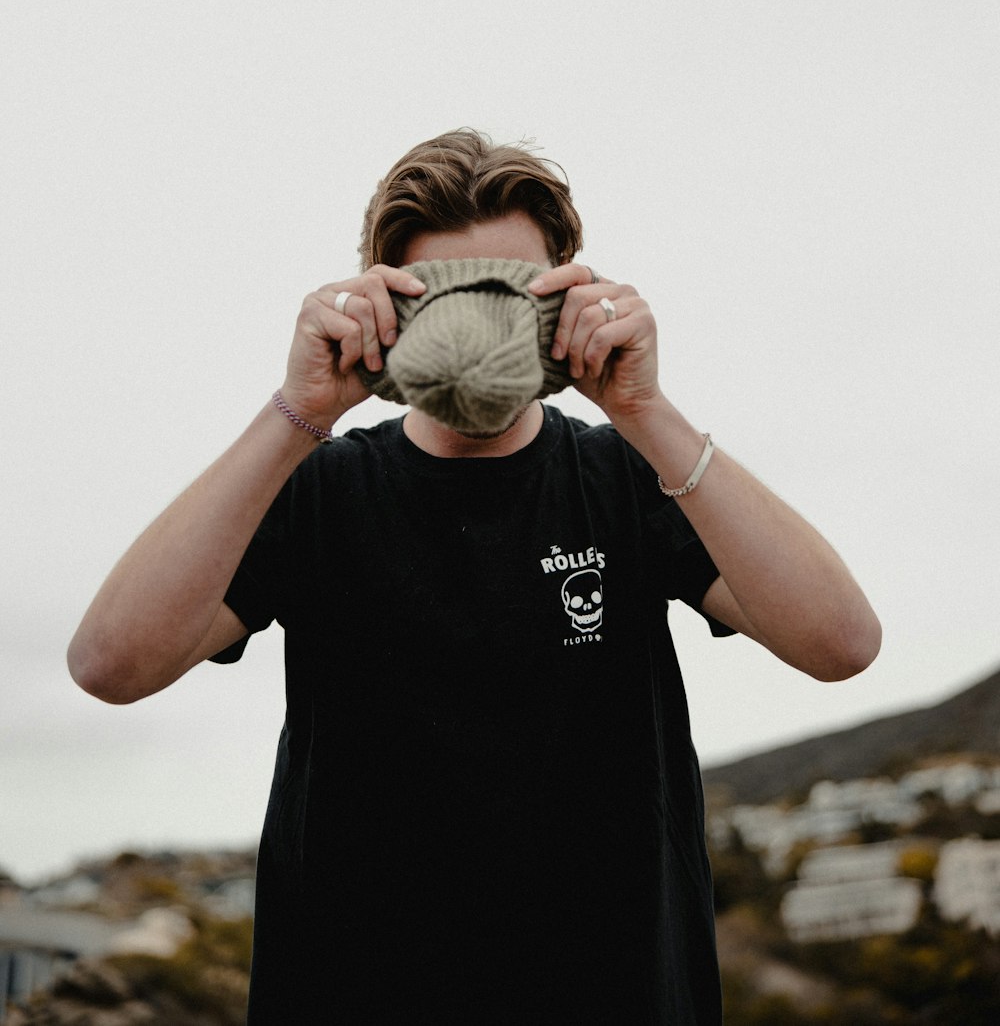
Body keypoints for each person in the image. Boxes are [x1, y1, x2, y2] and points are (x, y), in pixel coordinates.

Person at [68, 128, 881, 1025]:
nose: (483, 325)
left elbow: (840, 642)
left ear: (570, 292)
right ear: (387, 305)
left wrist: (646, 411)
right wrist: (299, 411)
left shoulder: (628, 478)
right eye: (445, 297)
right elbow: (111, 663)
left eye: (515, 294)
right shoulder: (322, 493)